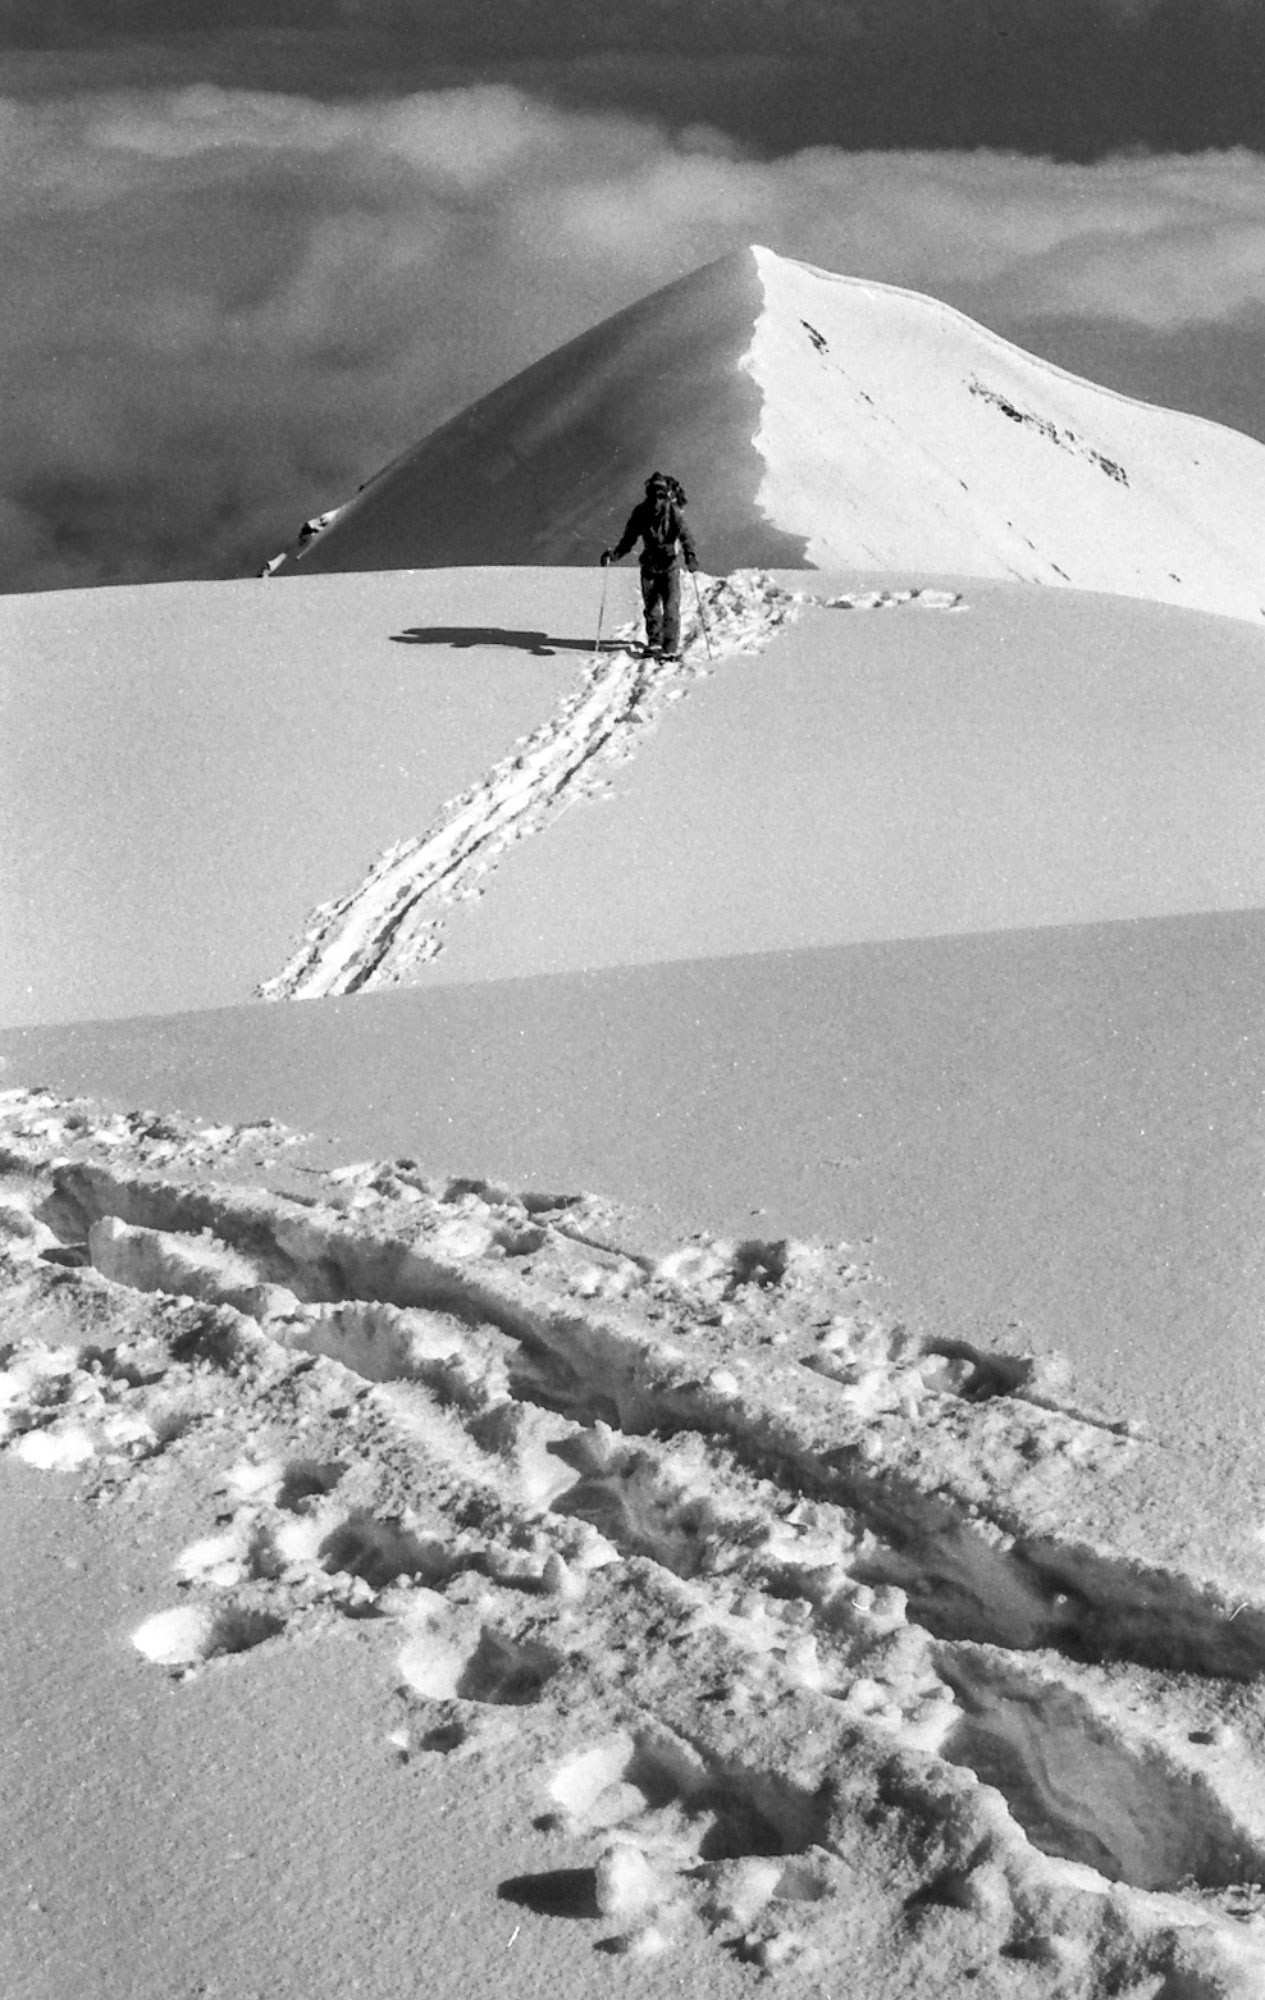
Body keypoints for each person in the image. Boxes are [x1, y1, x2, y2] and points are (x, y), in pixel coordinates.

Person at [601, 472, 698, 660]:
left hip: (668, 566)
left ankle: (668, 646)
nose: (656, 500)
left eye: (660, 496)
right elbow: (628, 540)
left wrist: (690, 555)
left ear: (665, 496)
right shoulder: (641, 513)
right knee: (653, 608)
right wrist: (614, 555)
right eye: (653, 495)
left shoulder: (672, 513)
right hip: (654, 565)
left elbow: (686, 536)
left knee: (670, 607)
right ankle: (656, 643)